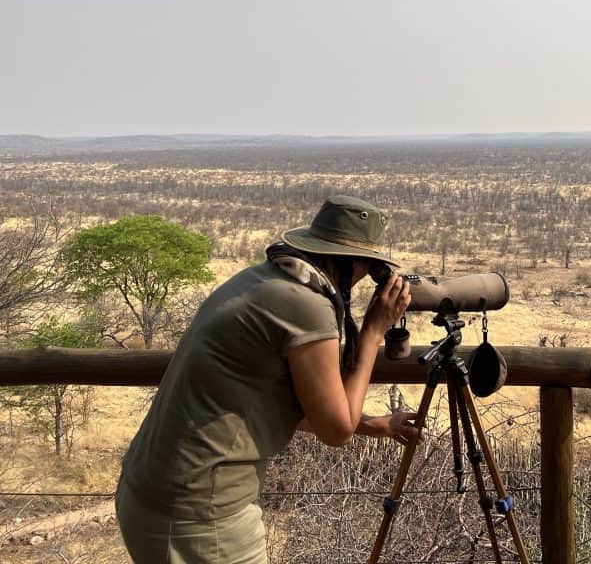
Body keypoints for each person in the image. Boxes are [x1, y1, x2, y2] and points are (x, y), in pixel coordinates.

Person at [115, 195, 418, 563]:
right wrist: (373, 330)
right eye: (369, 268)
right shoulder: (305, 304)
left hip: (158, 494)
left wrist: (375, 425)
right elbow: (335, 430)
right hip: (199, 513)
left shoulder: (265, 280)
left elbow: (285, 405)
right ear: (350, 262)